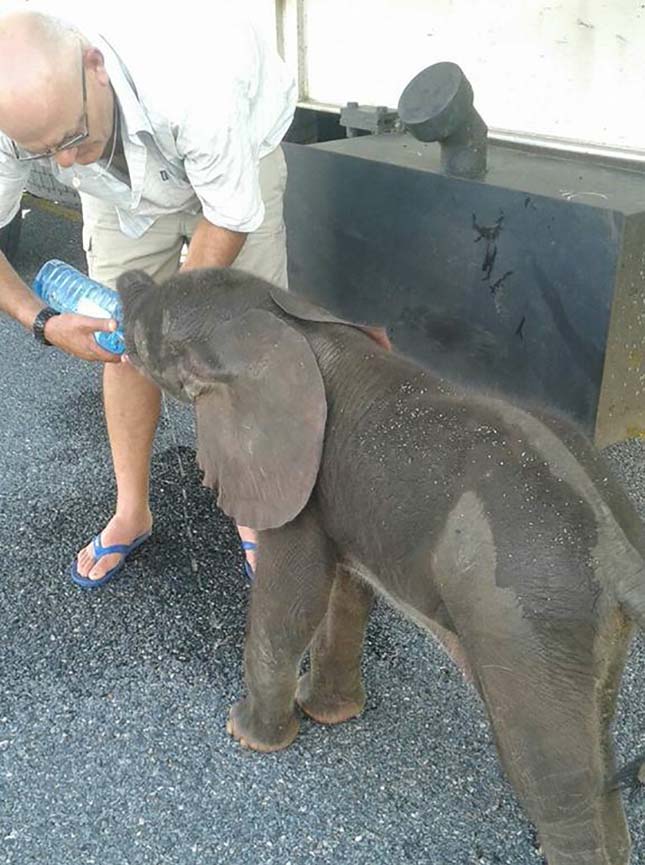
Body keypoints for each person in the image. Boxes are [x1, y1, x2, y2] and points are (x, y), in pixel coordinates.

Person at [0, 4, 296, 585]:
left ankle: (257, 513)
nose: (61, 161)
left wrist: (169, 322)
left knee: (248, 344)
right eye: (41, 153)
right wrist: (43, 322)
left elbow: (230, 217)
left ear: (95, 66)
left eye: (70, 137)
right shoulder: (22, 122)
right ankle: (131, 512)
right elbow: (61, 146)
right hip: (116, 188)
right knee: (122, 341)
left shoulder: (195, 81)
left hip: (239, 150)